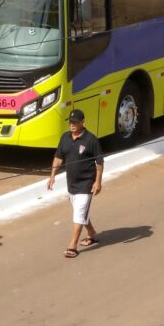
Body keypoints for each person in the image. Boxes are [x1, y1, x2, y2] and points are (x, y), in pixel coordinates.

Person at [46, 109, 105, 258]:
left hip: (86, 184)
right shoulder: (65, 138)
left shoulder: (91, 140)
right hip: (71, 184)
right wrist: (52, 175)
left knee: (79, 213)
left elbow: (99, 162)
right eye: (70, 122)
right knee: (81, 212)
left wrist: (98, 182)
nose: (72, 125)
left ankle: (72, 246)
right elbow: (58, 157)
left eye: (75, 122)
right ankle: (91, 233)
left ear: (83, 122)